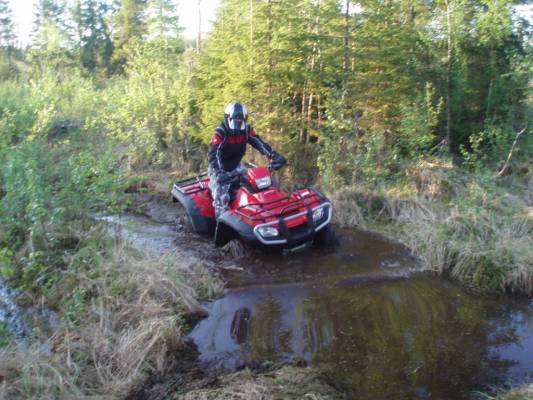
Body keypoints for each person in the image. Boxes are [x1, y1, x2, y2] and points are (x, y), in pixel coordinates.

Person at [208, 101, 286, 217]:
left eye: (240, 121)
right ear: (227, 118)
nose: (238, 125)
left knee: (260, 184)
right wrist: (220, 173)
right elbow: (214, 155)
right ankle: (221, 225)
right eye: (235, 121)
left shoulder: (246, 130)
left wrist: (274, 155)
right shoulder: (220, 133)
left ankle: (269, 214)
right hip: (219, 170)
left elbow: (259, 143)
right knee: (222, 197)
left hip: (237, 166)